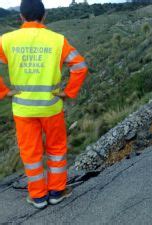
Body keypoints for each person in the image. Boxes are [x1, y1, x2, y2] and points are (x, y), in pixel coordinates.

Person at [0, 0, 88, 209]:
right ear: (44, 15)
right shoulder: (57, 40)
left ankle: (38, 196)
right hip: (51, 107)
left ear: (21, 16)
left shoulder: (7, 39)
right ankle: (57, 191)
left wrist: (4, 92)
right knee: (56, 149)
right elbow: (80, 66)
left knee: (31, 153)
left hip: (23, 109)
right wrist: (68, 92)